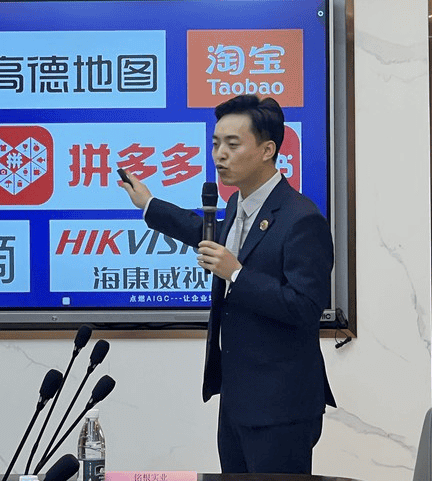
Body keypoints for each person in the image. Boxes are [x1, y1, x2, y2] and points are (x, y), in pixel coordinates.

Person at [117, 94, 335, 473]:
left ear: (267, 150)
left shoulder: (301, 219)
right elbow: (210, 236)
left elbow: (304, 308)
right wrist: (151, 205)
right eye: (216, 143)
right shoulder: (237, 205)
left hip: (281, 407)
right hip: (237, 401)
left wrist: (237, 273)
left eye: (233, 145)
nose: (220, 155)